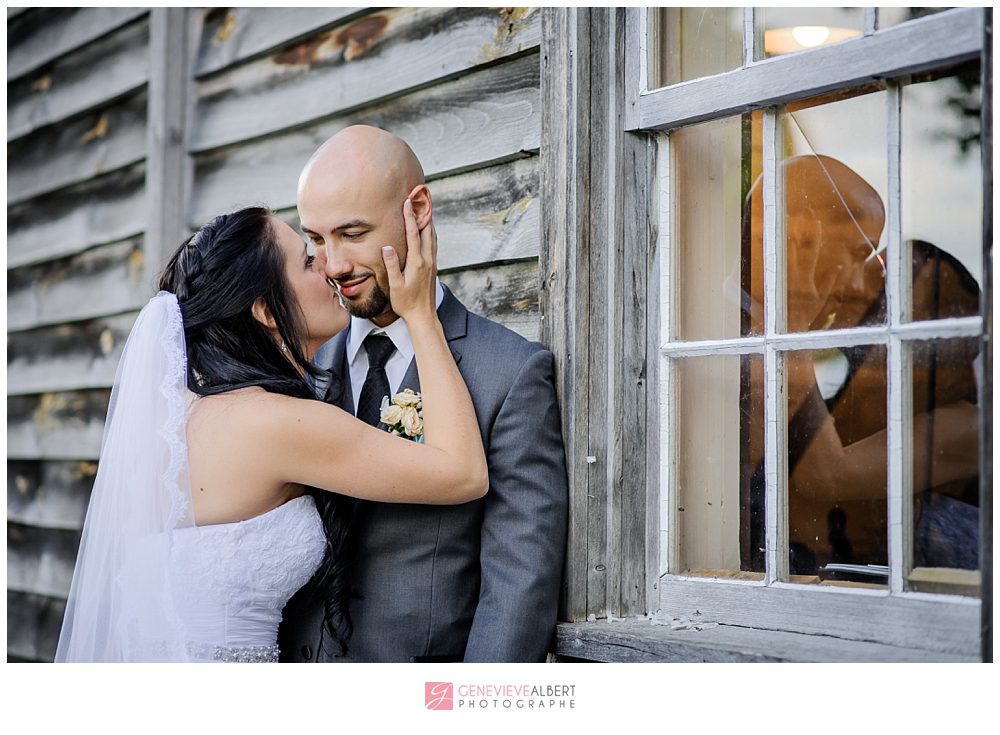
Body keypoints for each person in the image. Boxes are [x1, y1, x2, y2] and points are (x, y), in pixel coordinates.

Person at [55, 202, 488, 662]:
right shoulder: (275, 422)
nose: (330, 266)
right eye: (307, 258)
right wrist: (420, 313)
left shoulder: (183, 417)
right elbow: (463, 473)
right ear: (264, 308)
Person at [279, 125, 568, 663]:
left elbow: (518, 585)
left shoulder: (508, 373)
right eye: (317, 241)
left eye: (353, 233)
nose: (335, 266)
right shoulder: (303, 369)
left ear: (417, 210)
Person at [743, 155, 980, 576]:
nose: (854, 288)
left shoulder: (969, 427)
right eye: (863, 267)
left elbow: (825, 477)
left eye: (888, 300)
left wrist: (789, 321)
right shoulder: (849, 400)